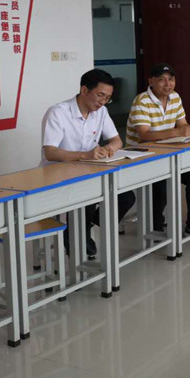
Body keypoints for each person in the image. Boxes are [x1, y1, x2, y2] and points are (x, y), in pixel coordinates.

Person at [41, 68, 135, 257]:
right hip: (58, 174)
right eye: (100, 95)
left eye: (107, 98)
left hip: (88, 171)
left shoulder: (101, 112)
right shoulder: (58, 112)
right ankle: (77, 244)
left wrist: (109, 148)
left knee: (126, 197)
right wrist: (85, 155)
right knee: (86, 198)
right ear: (84, 90)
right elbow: (50, 152)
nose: (103, 101)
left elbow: (117, 140)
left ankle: (87, 224)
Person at [126, 63, 190, 241]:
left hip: (167, 154)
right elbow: (144, 135)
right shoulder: (141, 101)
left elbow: (182, 124)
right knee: (160, 181)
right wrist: (176, 132)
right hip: (141, 156)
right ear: (151, 81)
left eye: (171, 79)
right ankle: (154, 228)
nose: (167, 84)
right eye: (161, 80)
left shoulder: (175, 97)